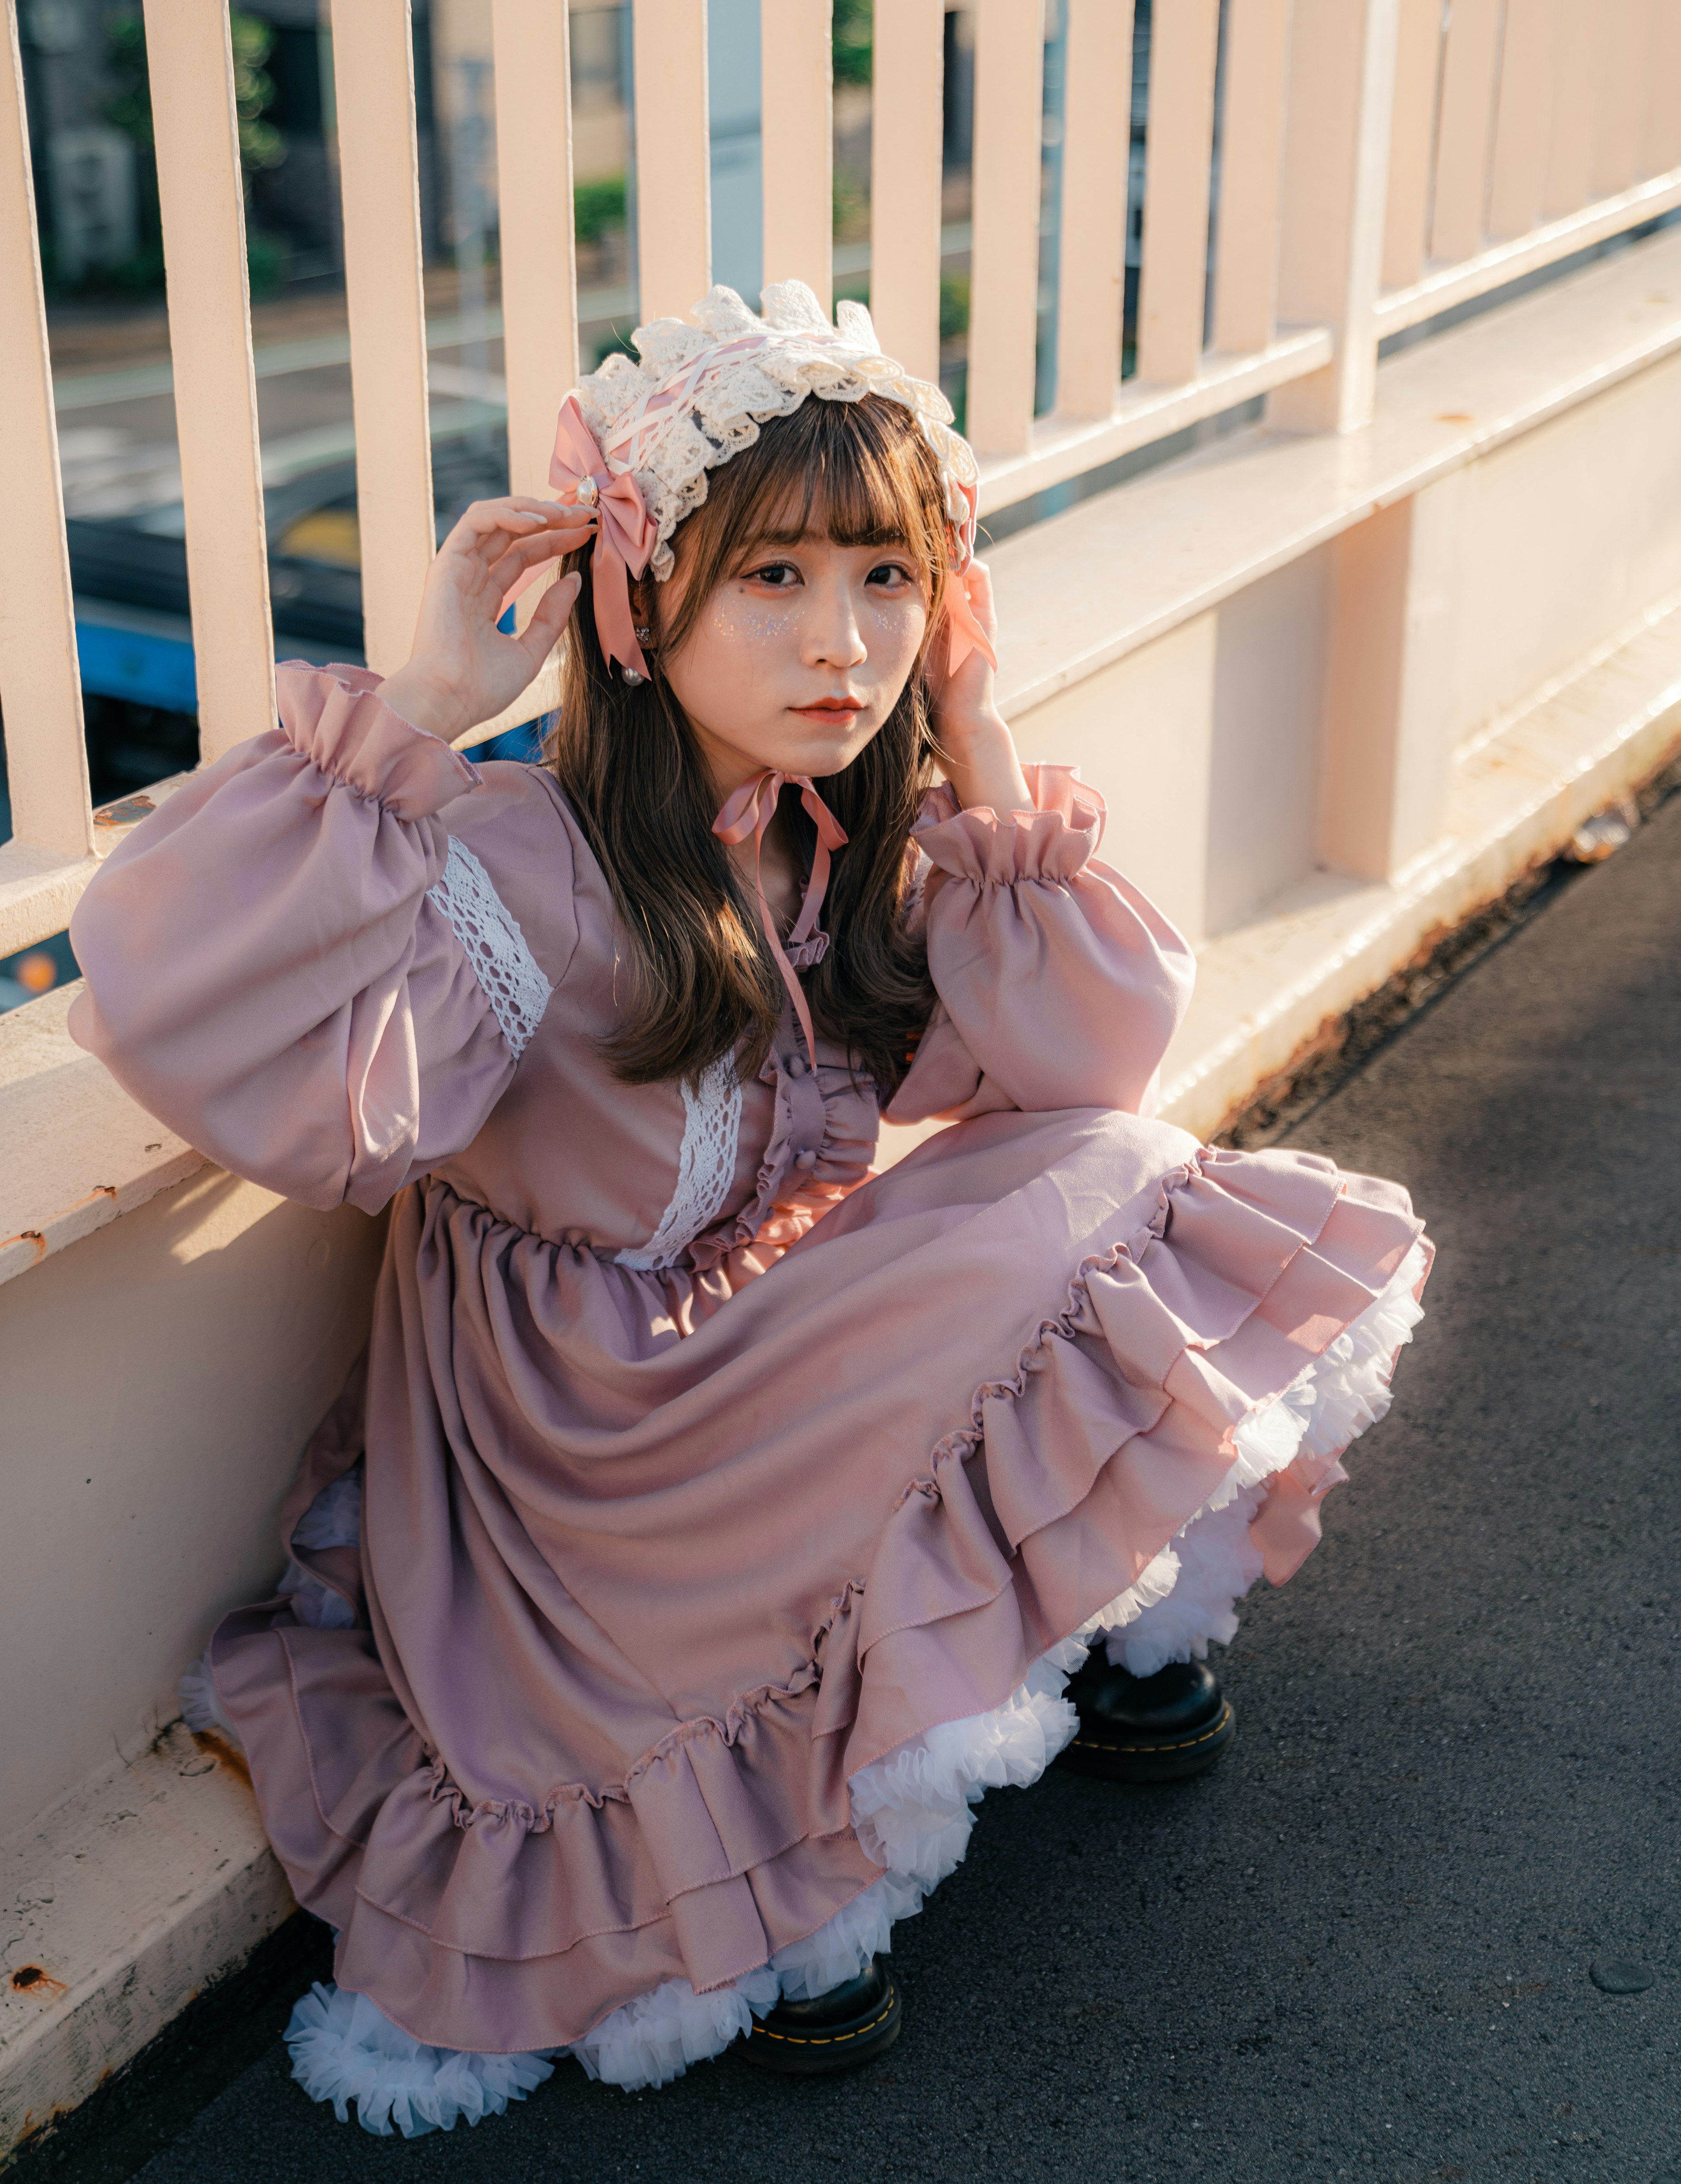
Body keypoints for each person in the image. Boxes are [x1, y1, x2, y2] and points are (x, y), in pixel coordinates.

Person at [69, 283, 1430, 2135]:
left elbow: (1085, 1057)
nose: (841, 641)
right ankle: (791, 1864)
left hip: (747, 1352)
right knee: (1094, 1198)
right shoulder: (515, 857)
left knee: (1115, 1168)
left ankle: (1081, 1645)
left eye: (886, 579)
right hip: (586, 1450)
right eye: (775, 580)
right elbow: (173, 986)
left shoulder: (836, 831)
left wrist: (976, 718)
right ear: (639, 604)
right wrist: (416, 709)